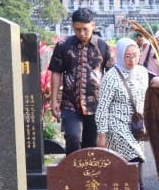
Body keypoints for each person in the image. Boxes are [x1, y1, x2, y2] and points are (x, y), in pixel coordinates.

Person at [48, 8, 112, 153]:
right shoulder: (64, 46)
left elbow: (111, 74)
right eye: (77, 30)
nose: (81, 33)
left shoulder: (103, 47)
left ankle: (89, 175)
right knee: (73, 137)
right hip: (70, 103)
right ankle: (71, 174)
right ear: (73, 27)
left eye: (85, 29)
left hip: (96, 105)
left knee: (91, 145)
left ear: (93, 26)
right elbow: (56, 73)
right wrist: (53, 100)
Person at [97, 38, 149, 189]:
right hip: (116, 124)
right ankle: (138, 189)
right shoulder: (111, 77)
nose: (132, 60)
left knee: (137, 157)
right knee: (134, 154)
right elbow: (102, 107)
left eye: (135, 55)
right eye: (127, 56)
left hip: (136, 124)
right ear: (120, 55)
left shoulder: (142, 72)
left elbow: (146, 96)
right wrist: (102, 134)